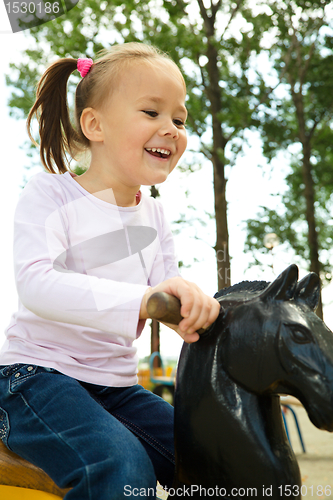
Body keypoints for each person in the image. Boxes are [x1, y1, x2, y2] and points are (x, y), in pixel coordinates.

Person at [0, 43, 220, 499]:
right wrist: (143, 300)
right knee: (120, 465)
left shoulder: (155, 218)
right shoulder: (51, 195)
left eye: (179, 119)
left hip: (116, 387)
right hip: (34, 377)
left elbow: (166, 292)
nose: (171, 129)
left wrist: (195, 305)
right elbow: (38, 284)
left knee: (210, 454)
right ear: (94, 124)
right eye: (151, 112)